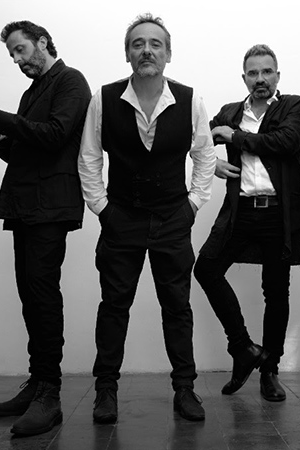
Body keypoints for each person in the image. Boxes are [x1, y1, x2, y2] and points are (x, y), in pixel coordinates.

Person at [78, 13, 215, 423]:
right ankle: (105, 390)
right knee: (114, 306)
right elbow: (89, 157)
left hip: (173, 218)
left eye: (155, 44)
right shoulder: (104, 98)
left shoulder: (190, 100)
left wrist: (193, 204)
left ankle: (185, 389)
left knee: (177, 307)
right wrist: (102, 209)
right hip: (122, 218)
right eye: (138, 44)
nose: (147, 50)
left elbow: (205, 156)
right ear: (127, 53)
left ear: (168, 53)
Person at [0, 20, 91, 436]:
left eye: (21, 50)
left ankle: (50, 396)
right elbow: (24, 152)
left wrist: (2, 118)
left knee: (42, 296)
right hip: (25, 205)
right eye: (12, 55)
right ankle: (38, 383)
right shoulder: (31, 92)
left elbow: (55, 136)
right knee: (30, 297)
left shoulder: (71, 81)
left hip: (50, 206)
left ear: (42, 42)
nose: (17, 60)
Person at [194, 45, 300, 402]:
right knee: (206, 269)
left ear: (277, 75)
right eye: (253, 73)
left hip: (278, 212)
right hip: (240, 210)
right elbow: (195, 138)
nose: (261, 79)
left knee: (275, 291)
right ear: (244, 78)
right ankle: (243, 348)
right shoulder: (230, 112)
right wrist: (211, 162)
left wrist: (234, 137)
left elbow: (284, 142)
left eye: (267, 72)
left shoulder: (294, 106)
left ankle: (269, 371)